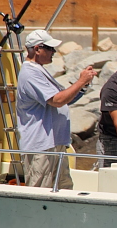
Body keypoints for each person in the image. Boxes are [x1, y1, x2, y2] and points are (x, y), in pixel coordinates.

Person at [16, 29, 97, 189]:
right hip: (41, 147)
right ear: (38, 49)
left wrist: (83, 86)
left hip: (54, 144)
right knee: (41, 193)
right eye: (50, 48)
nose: (54, 52)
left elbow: (63, 98)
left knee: (63, 189)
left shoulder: (39, 70)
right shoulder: (30, 73)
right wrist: (80, 82)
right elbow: (57, 100)